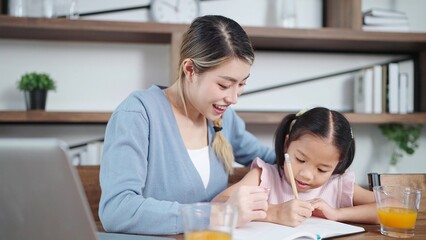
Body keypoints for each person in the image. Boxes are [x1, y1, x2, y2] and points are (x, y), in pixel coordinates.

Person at [98, 15, 275, 235]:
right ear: (190, 69)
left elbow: (273, 159)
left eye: (241, 84)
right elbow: (117, 210)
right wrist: (217, 214)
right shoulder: (138, 114)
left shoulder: (223, 118)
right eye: (224, 85)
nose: (233, 98)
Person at [213, 107, 380, 227]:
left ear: (339, 164)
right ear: (287, 145)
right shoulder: (264, 176)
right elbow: (217, 204)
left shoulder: (339, 184)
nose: (306, 175)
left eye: (322, 169)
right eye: (300, 159)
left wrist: (337, 214)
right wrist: (275, 211)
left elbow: (394, 206)